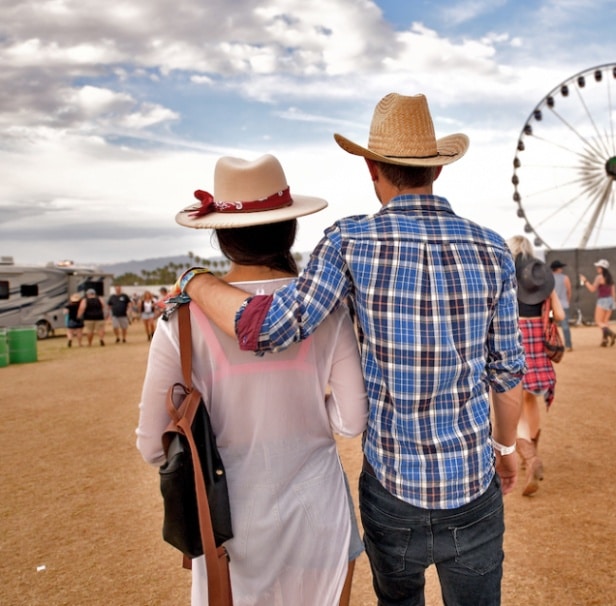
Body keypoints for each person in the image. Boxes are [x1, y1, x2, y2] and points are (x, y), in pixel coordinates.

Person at [174, 93, 525, 606]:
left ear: (371, 168)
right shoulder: (492, 248)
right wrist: (507, 449)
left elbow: (267, 327)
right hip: (472, 482)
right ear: (437, 171)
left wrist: (194, 278)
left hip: (393, 486)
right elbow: (507, 376)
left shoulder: (349, 241)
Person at [136, 154, 369, 606]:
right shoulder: (326, 313)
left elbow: (152, 444)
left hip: (227, 524)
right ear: (290, 228)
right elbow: (352, 420)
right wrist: (304, 409)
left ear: (221, 237)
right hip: (317, 514)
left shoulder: (180, 321)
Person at [508, 236, 564, 496]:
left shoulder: (507, 274)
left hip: (515, 343)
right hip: (539, 347)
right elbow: (560, 316)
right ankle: (532, 453)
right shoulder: (542, 279)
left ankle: (530, 459)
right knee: (530, 401)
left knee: (515, 407)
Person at [579, 259, 616, 346]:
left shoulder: (599, 277)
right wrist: (614, 301)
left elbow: (592, 289)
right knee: (605, 321)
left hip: (602, 301)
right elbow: (613, 292)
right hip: (610, 300)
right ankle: (604, 340)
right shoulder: (610, 278)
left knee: (598, 321)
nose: (597, 268)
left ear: (602, 268)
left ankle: (611, 333)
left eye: (598, 267)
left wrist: (585, 281)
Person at [550, 259, 573, 351]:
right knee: (565, 325)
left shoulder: (549, 278)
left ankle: (552, 344)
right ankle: (568, 345)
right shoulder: (565, 278)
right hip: (563, 305)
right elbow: (569, 291)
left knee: (551, 325)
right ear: (559, 268)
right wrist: (567, 301)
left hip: (552, 306)